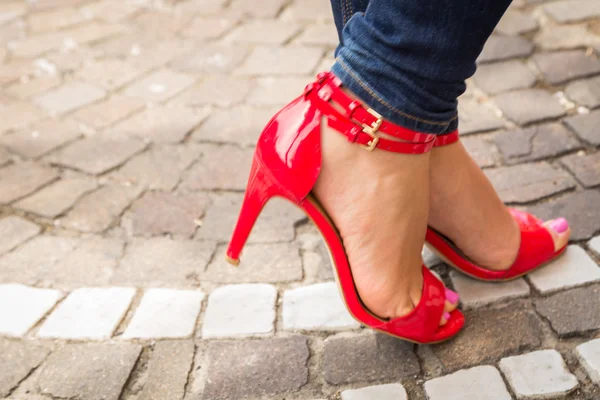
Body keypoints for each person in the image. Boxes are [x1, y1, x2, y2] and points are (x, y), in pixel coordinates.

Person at [226, 0, 571, 344]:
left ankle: (420, 145)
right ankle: (379, 120)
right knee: (395, 85)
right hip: (365, 133)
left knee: (401, 81)